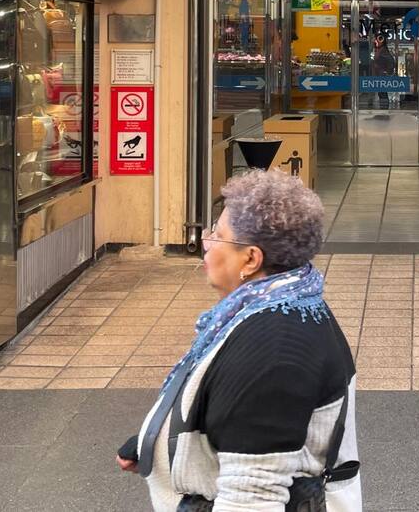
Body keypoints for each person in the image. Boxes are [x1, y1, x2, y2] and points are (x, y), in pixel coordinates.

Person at [117, 168, 361, 511]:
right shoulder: (292, 300)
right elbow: (243, 416)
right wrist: (151, 441)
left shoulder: (273, 350)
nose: (205, 243)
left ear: (250, 258)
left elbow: (252, 498)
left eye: (217, 235)